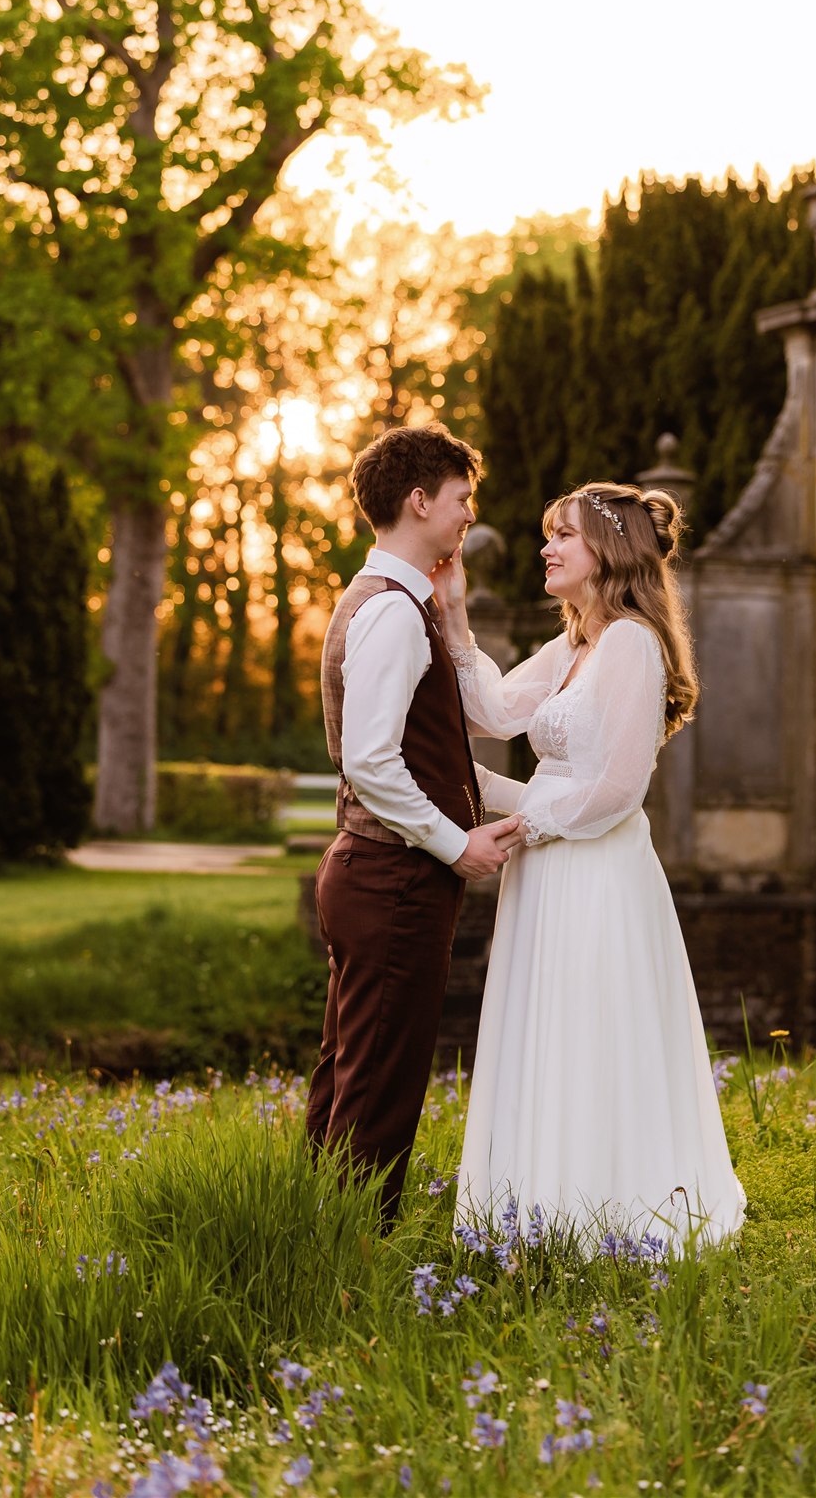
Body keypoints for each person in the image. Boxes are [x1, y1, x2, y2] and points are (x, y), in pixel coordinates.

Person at [436, 479, 745, 1251]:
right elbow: (491, 712)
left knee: (591, 1029)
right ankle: (539, 1210)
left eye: (562, 534)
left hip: (596, 874)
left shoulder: (632, 644)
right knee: (545, 1029)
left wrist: (517, 825)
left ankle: (605, 1213)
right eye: (549, 534)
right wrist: (455, 611)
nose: (546, 548)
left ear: (606, 550)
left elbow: (615, 790)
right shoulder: (574, 646)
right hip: (548, 869)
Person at [304, 423, 522, 1229]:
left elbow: (437, 755)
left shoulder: (399, 602)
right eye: (461, 498)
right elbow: (371, 762)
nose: (469, 514)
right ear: (420, 500)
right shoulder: (392, 613)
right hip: (392, 879)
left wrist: (539, 805)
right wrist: (455, 844)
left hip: (375, 873)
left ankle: (317, 1241)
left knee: (352, 1074)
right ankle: (355, 1255)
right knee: (378, 1088)